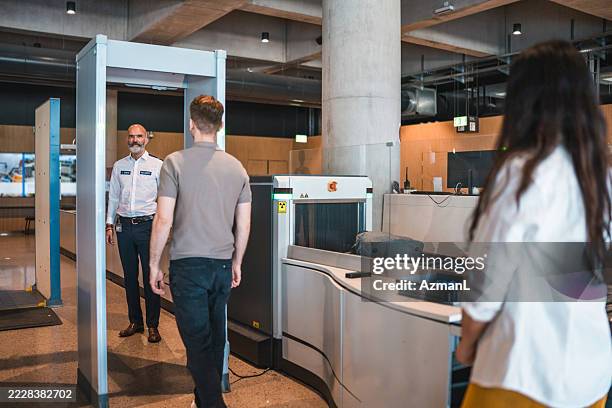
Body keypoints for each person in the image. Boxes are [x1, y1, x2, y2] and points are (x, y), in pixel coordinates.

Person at [456, 40, 611, 407]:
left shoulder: (522, 173)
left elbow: (486, 282)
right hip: (591, 377)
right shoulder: (600, 178)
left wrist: (466, 345)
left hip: (524, 374)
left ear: (524, 100)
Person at [149, 95, 251, 408]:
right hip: (222, 266)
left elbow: (163, 219)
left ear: (192, 124)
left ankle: (211, 403)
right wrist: (237, 262)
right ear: (219, 126)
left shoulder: (174, 163)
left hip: (188, 267)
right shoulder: (237, 168)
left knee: (196, 342)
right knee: (216, 335)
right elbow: (243, 224)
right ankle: (201, 399)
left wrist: (154, 264)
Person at [106, 123, 163, 343]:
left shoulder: (158, 165)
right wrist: (109, 224)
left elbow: (165, 199)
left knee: (151, 277)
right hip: (125, 228)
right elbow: (113, 197)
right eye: (131, 136)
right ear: (127, 139)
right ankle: (135, 322)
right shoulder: (120, 166)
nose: (135, 140)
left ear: (146, 139)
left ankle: (153, 325)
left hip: (148, 227)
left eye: (139, 136)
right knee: (129, 278)